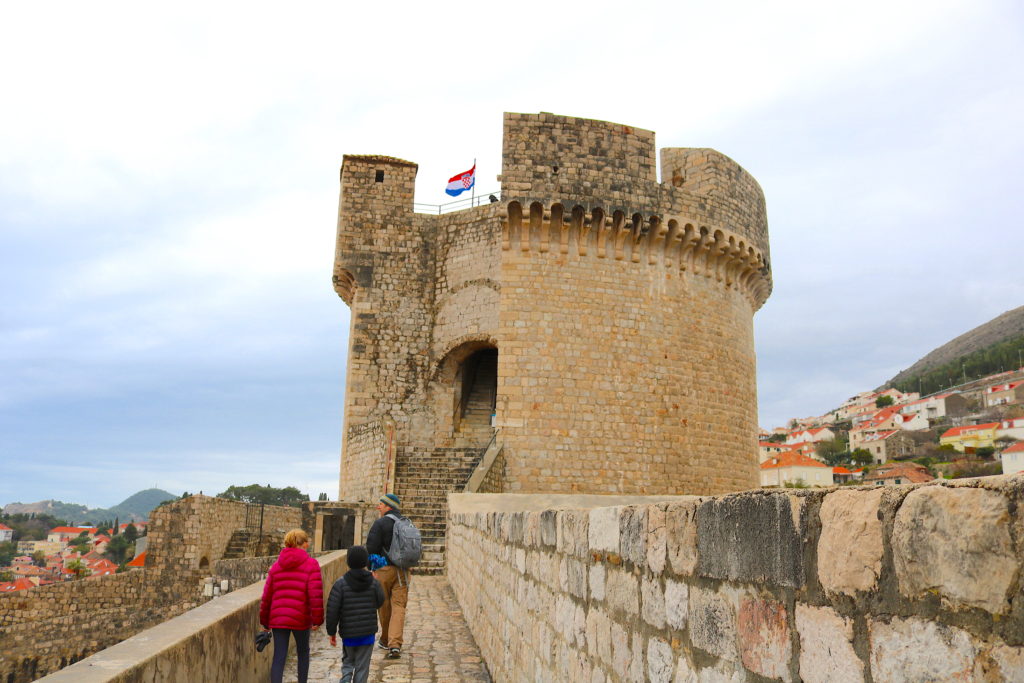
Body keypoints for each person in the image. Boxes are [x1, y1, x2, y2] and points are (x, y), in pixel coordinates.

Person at [259, 528, 324, 683]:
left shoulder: (276, 566)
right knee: (303, 652)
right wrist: (317, 620)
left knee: (279, 656)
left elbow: (266, 596)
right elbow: (315, 595)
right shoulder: (311, 564)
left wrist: (265, 622)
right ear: (304, 544)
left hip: (278, 618)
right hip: (300, 617)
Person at [325, 545, 385, 683]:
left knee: (348, 663)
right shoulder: (373, 583)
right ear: (365, 562)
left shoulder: (340, 584)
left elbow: (333, 609)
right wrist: (376, 581)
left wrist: (331, 632)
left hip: (349, 634)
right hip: (367, 633)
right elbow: (380, 601)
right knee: (362, 667)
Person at [365, 492, 409, 659]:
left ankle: (385, 638)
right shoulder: (406, 523)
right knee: (399, 606)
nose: (379, 507)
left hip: (383, 569)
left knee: (384, 606)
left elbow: (372, 548)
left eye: (381, 505)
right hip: (403, 571)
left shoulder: (380, 523)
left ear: (388, 506)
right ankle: (395, 644)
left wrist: (372, 568)